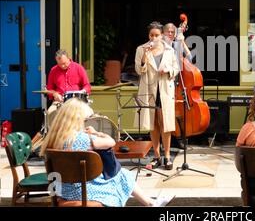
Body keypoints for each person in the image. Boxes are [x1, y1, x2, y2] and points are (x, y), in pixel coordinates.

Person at [39, 98, 173, 207]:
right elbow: (111, 142)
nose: (84, 123)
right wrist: (96, 133)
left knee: (121, 174)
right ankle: (150, 204)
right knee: (122, 175)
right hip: (82, 193)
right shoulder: (84, 139)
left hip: (62, 192)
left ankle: (151, 203)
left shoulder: (51, 139)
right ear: (77, 119)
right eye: (84, 120)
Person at [135, 21, 179, 170]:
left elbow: (176, 69)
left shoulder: (169, 50)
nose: (154, 38)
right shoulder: (141, 49)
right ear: (148, 35)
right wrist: (144, 58)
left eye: (157, 35)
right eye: (151, 35)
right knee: (152, 124)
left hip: (165, 90)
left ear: (161, 36)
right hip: (149, 90)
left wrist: (168, 71)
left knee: (165, 123)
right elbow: (139, 70)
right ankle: (156, 156)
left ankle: (167, 156)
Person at [46, 49, 91, 114]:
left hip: (76, 100)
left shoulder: (78, 68)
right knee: (50, 113)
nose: (62, 66)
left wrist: (83, 91)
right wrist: (55, 94)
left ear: (68, 59)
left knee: (87, 114)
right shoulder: (53, 70)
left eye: (64, 63)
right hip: (60, 101)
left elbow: (87, 85)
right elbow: (49, 88)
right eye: (59, 64)